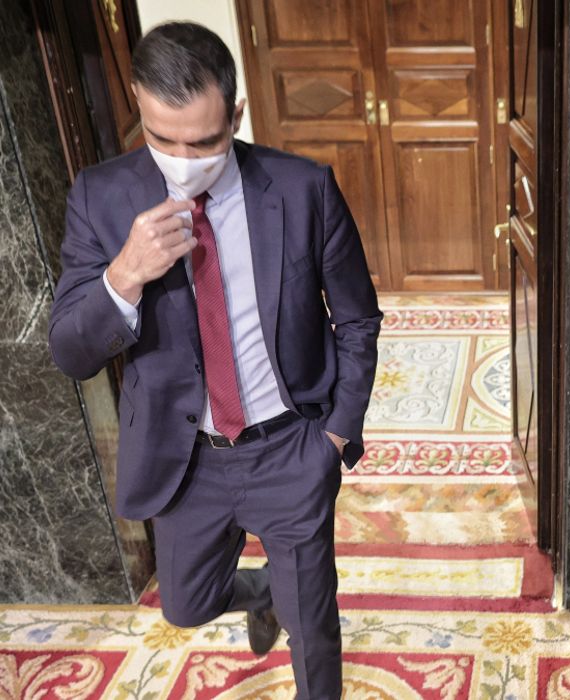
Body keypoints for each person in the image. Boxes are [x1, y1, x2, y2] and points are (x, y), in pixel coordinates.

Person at [47, 22, 380, 699]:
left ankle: (294, 605)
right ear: (138, 104)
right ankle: (265, 592)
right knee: (186, 605)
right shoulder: (100, 197)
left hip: (290, 447)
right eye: (162, 138)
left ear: (236, 115)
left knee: (313, 633)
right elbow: (70, 353)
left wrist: (335, 435)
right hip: (185, 459)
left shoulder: (303, 188)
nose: (182, 159)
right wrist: (124, 276)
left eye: (203, 142)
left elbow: (357, 318)